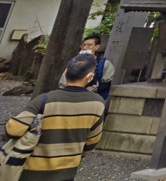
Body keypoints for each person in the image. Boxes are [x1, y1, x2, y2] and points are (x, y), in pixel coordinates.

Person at [6, 53, 105, 181]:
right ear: (90, 76)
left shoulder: (45, 99)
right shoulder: (97, 103)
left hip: (32, 171)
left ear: (65, 73)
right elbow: (92, 140)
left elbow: (13, 130)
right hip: (67, 171)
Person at [58, 35, 114, 100]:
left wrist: (96, 88)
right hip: (70, 97)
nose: (84, 48)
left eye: (89, 45)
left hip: (92, 99)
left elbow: (106, 84)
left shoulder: (104, 64)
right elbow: (62, 82)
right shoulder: (73, 62)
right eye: (83, 45)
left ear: (97, 47)